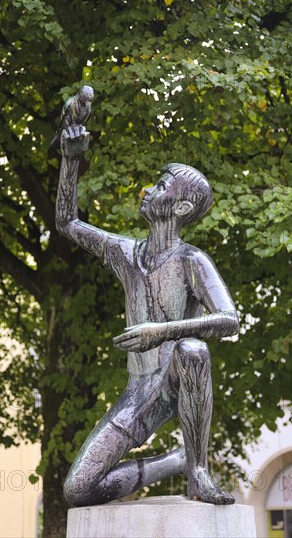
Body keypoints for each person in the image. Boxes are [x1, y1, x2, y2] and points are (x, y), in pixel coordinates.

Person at [56, 123, 239, 507]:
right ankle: (176, 461)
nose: (147, 191)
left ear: (181, 207)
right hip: (139, 392)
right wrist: (71, 161)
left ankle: (198, 470)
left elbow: (229, 319)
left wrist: (161, 332)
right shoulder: (126, 254)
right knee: (78, 490)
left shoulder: (192, 260)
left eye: (159, 187)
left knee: (192, 350)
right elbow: (67, 223)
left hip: (177, 379)